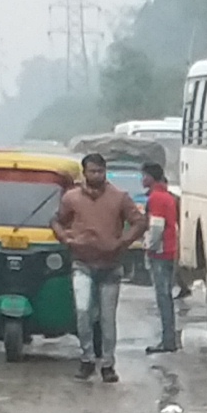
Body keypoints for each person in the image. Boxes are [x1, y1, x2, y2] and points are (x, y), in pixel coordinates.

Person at [57, 162, 145, 385]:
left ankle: (107, 364)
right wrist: (66, 239)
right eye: (93, 171)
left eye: (100, 171)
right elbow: (56, 220)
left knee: (107, 319)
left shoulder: (119, 197)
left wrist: (124, 242)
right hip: (82, 264)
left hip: (110, 267)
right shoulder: (71, 198)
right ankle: (87, 358)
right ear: (84, 173)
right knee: (83, 313)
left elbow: (139, 222)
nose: (97, 175)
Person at [143, 166, 186, 352]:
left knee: (163, 297)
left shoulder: (156, 198)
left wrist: (148, 247)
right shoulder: (167, 196)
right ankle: (169, 339)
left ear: (151, 177)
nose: (142, 179)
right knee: (166, 296)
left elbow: (156, 227)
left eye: (144, 175)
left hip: (160, 253)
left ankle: (168, 340)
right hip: (169, 250)